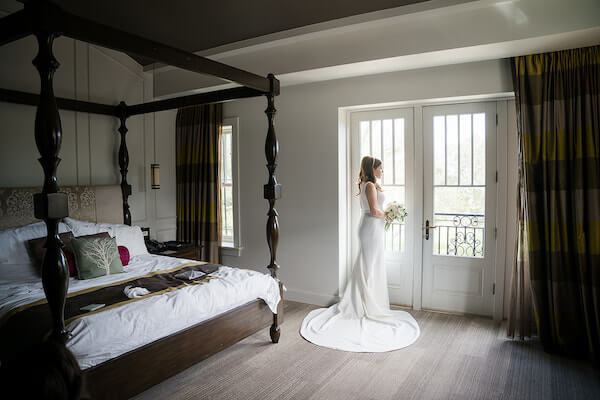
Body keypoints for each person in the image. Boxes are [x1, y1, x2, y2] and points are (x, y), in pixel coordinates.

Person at [300, 156, 420, 352]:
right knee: (367, 267)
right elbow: (374, 211)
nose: (382, 171)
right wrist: (390, 215)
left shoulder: (369, 184)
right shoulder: (370, 186)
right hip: (371, 228)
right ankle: (360, 304)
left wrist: (387, 216)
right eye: (380, 168)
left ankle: (366, 301)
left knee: (368, 266)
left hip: (373, 228)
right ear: (372, 169)